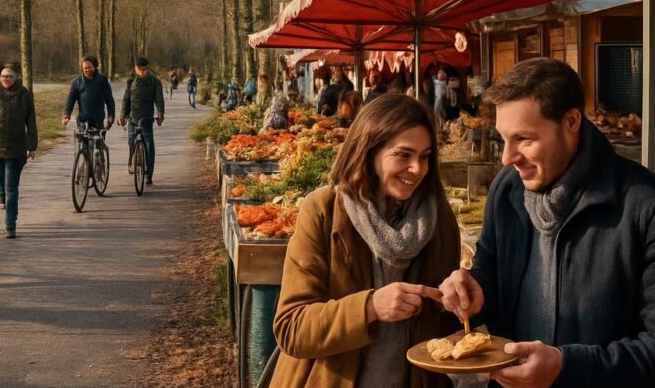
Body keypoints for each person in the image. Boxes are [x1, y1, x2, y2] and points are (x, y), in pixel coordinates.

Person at [439, 58, 655, 386]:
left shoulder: (643, 204)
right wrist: (476, 291)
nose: (507, 158)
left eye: (524, 139)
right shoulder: (506, 189)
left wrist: (565, 366)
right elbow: (490, 270)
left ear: (570, 122)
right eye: (503, 140)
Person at [271, 94, 460, 387]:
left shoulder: (439, 221)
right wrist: (370, 307)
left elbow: (443, 333)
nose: (417, 169)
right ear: (369, 151)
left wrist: (456, 303)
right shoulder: (323, 211)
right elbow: (291, 329)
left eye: (425, 157)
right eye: (403, 155)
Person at [0, 64, 37, 239]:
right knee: (0, 183)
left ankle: (10, 225)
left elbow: (31, 120)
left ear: (17, 77)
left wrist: (32, 145)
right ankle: (1, 194)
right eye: (3, 76)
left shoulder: (25, 94)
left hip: (16, 148)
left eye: (9, 76)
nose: (5, 79)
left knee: (11, 188)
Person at [118, 57, 165, 186]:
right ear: (135, 69)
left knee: (149, 145)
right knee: (131, 143)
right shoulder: (131, 83)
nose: (142, 72)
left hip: (146, 119)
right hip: (133, 119)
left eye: (144, 69)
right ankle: (135, 161)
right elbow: (126, 101)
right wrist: (122, 116)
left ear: (147, 69)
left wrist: (160, 114)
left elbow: (159, 100)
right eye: (139, 69)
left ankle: (148, 173)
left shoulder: (155, 82)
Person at [61, 55, 116, 132]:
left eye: (89, 67)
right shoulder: (77, 82)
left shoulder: (102, 81)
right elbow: (71, 99)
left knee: (98, 142)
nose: (87, 70)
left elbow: (109, 100)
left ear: (95, 66)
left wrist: (111, 116)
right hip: (82, 120)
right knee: (83, 142)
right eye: (85, 68)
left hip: (98, 120)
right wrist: (66, 115)